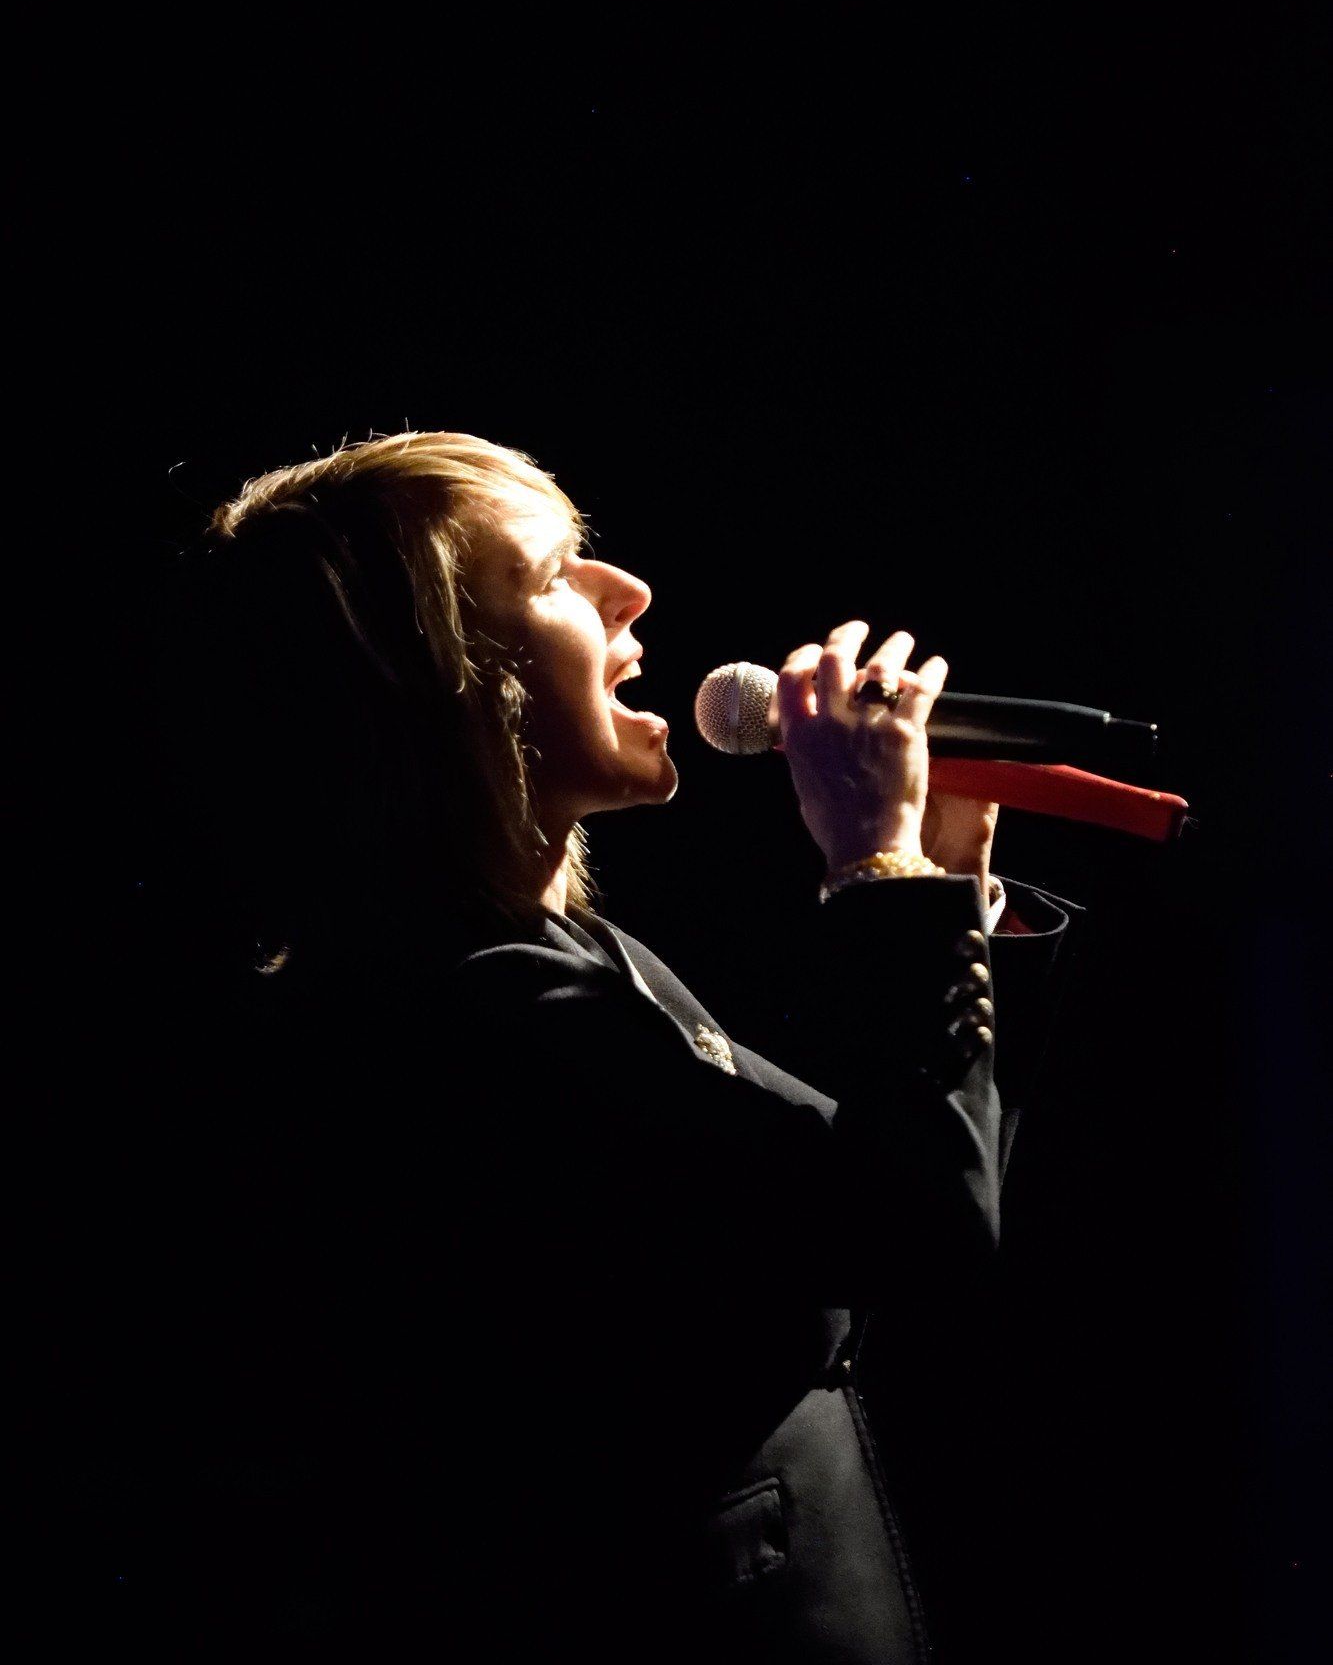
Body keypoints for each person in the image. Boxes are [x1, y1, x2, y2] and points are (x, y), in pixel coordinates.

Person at [100, 430, 1075, 1660]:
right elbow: (917, 1231)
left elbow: (887, 1187)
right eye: (554, 573)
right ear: (440, 685)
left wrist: (938, 890)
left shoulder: (564, 956)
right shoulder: (474, 1014)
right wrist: (877, 871)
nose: (630, 591)